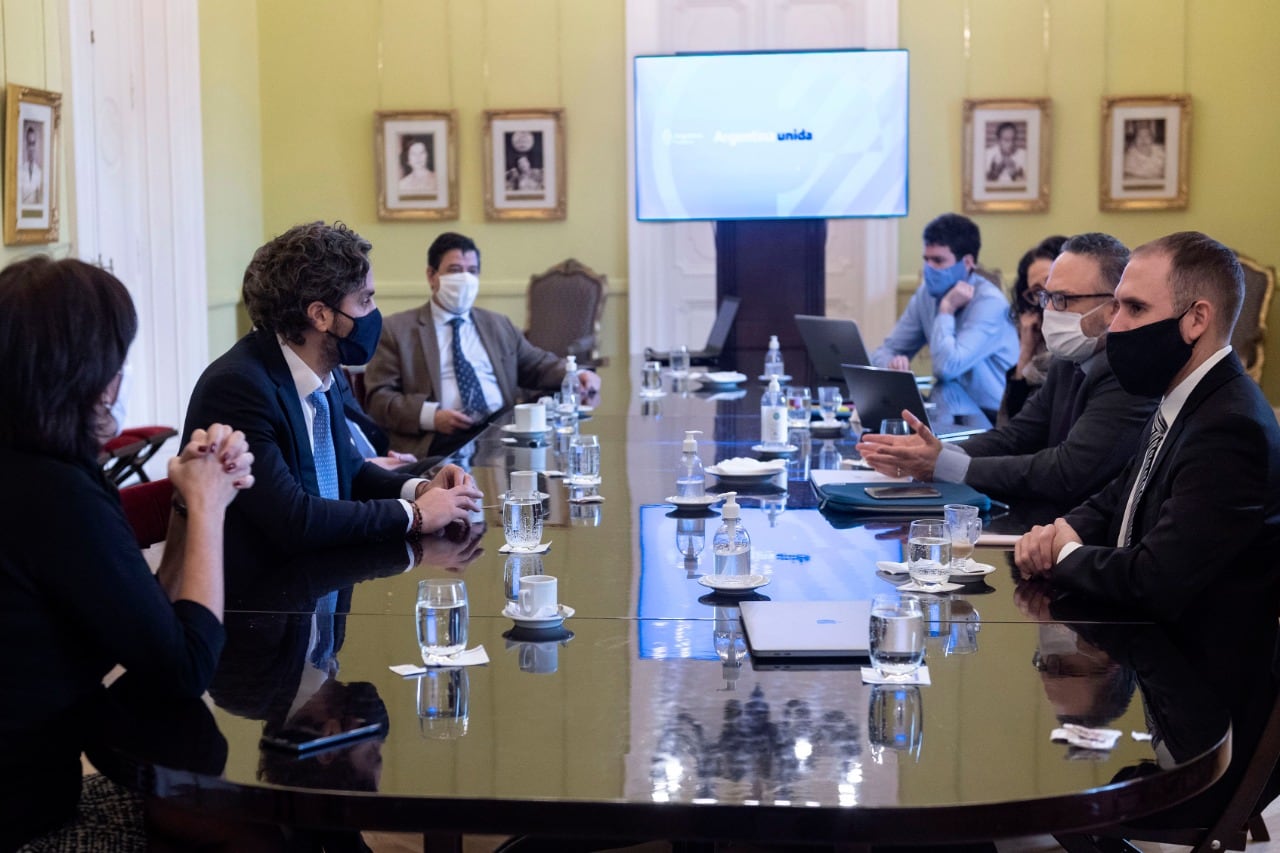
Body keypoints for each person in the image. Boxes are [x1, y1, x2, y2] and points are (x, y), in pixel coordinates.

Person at [0, 257, 253, 849]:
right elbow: (187, 668)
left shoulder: (37, 473)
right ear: (86, 373)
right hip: (28, 811)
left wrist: (188, 505)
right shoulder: (56, 495)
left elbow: (148, 630)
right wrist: (212, 507)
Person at [1015, 232, 1280, 750]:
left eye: (1133, 308)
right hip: (1156, 673)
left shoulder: (1231, 427)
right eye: (1116, 308)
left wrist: (1061, 555)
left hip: (1205, 726)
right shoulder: (1188, 395)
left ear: (1196, 319)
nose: (1114, 327)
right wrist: (1068, 527)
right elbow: (1123, 490)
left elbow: (1154, 579)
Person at [184, 221, 483, 568]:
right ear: (321, 315)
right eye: (365, 299)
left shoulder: (326, 368)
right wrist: (415, 515)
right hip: (265, 596)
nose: (374, 313)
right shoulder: (239, 387)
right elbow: (293, 519)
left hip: (325, 574)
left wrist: (420, 490)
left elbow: (351, 472)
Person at [859, 233, 1156, 517]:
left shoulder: (1126, 372)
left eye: (1063, 300)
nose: (1049, 311)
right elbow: (1015, 437)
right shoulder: (1068, 360)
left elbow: (1068, 471)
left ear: (1112, 307)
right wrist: (935, 450)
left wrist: (942, 464)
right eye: (1046, 298)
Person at [366, 231, 602, 458]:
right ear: (431, 275)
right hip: (440, 439)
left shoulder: (497, 324)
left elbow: (537, 364)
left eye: (473, 271)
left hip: (503, 430)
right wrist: (431, 416)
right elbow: (379, 399)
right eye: (455, 270)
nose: (465, 279)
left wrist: (576, 374)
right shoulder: (396, 330)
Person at [870, 213, 1018, 419]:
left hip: (992, 417)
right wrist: (891, 364)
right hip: (946, 412)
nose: (929, 269)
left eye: (938, 261)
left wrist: (946, 309)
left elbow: (947, 367)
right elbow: (885, 351)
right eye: (926, 260)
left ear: (967, 263)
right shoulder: (925, 295)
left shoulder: (990, 303)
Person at [1001, 235, 1067, 422]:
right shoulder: (1038, 339)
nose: (1047, 299)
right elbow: (1012, 420)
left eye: (1051, 283)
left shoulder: (1076, 341)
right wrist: (1026, 350)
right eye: (1038, 292)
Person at [19, 122, 43, 206]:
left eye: (33, 143)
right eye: (29, 144)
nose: (31, 148)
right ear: (26, 145)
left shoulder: (39, 173)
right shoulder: (20, 171)